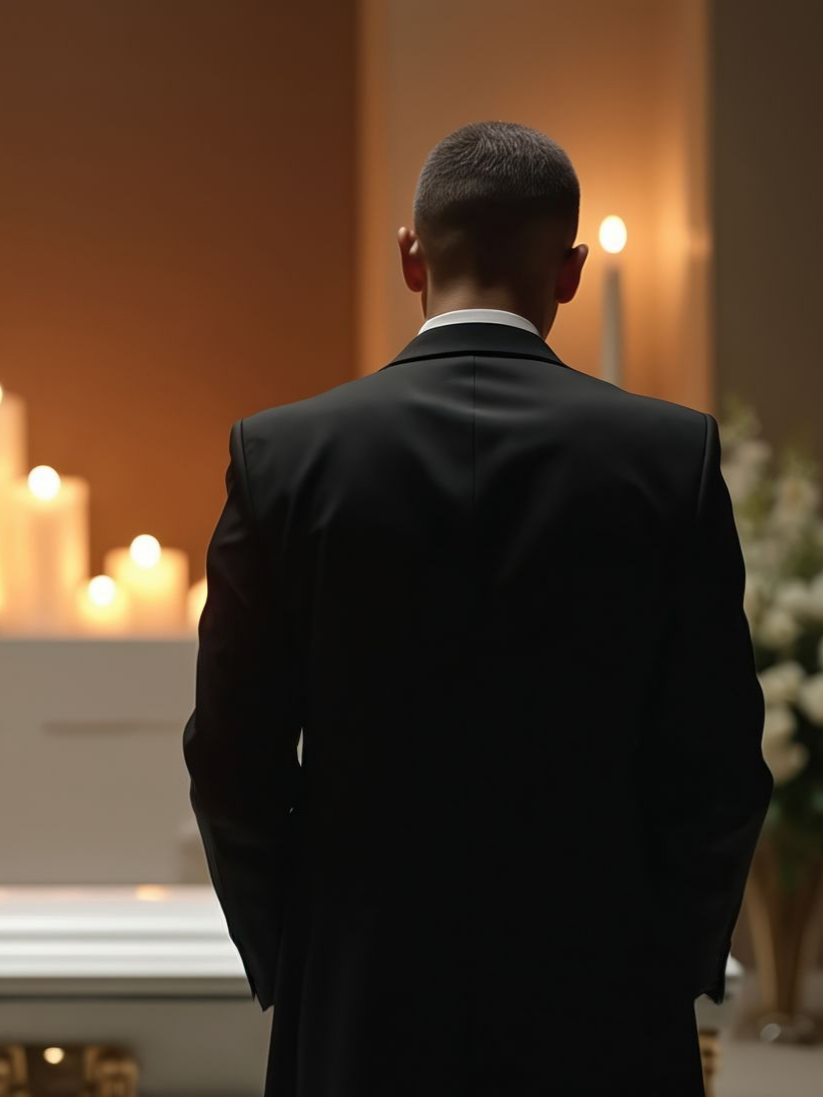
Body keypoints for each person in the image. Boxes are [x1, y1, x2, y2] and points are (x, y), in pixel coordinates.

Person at [182, 120, 773, 1097]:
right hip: (601, 993)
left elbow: (230, 753)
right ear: (569, 272)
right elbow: (718, 758)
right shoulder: (669, 459)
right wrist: (660, 958)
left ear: (409, 256)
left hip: (360, 990)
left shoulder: (281, 457)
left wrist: (297, 951)